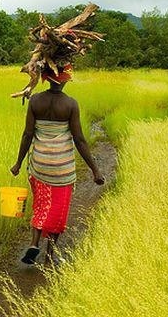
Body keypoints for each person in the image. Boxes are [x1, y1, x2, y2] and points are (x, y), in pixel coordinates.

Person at [10, 67, 105, 265]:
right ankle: (49, 255)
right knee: (58, 210)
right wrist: (95, 170)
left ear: (46, 78)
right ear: (65, 80)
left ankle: (34, 243)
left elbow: (28, 134)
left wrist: (18, 162)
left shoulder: (35, 101)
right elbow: (79, 139)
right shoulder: (70, 104)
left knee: (42, 204)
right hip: (62, 168)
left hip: (39, 164)